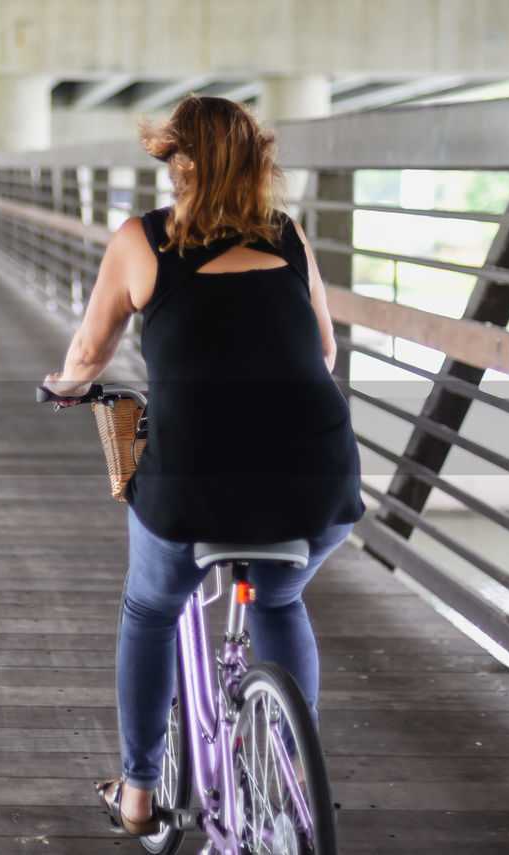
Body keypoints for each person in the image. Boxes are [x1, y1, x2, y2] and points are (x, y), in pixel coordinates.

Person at [42, 95, 364, 836]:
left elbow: (88, 355)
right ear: (258, 165)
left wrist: (63, 388)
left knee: (150, 608)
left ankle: (139, 790)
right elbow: (324, 353)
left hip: (195, 482)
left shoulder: (141, 241)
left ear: (176, 164)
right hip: (315, 476)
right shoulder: (290, 238)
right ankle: (291, 776)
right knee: (280, 600)